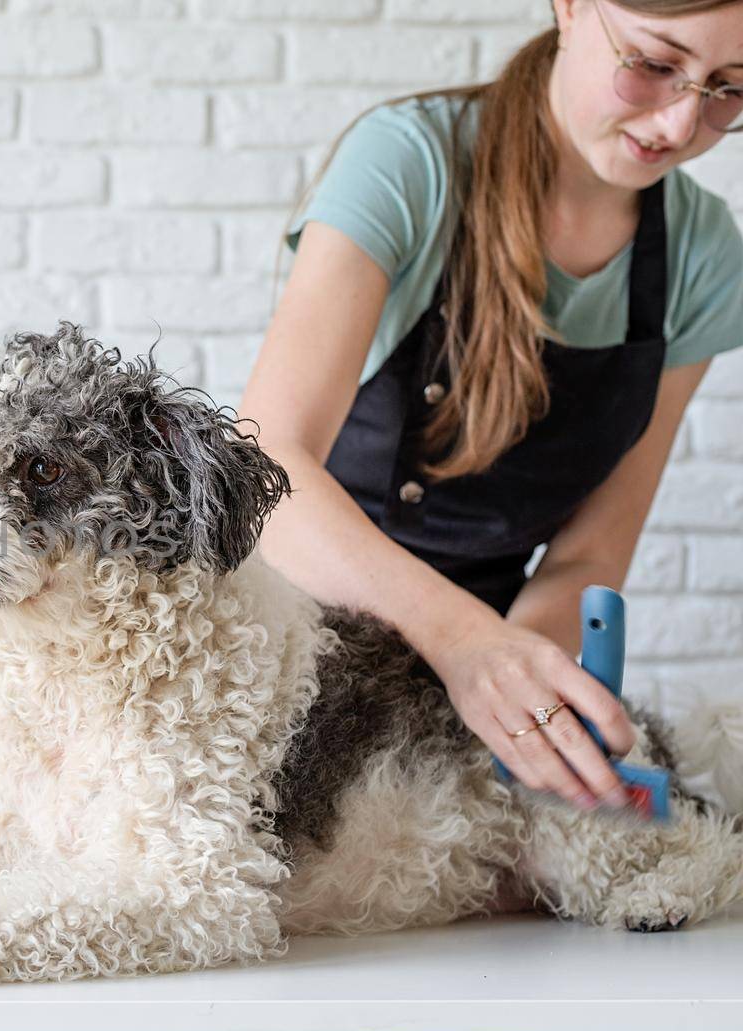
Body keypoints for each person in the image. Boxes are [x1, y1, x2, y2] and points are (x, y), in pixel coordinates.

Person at [239, 0, 743, 815]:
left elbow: (589, 556)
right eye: (654, 64)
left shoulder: (704, 257)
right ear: (573, 9)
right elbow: (265, 468)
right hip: (286, 643)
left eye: (728, 89)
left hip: (484, 660)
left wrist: (522, 697)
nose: (683, 122)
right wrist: (464, 643)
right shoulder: (409, 161)